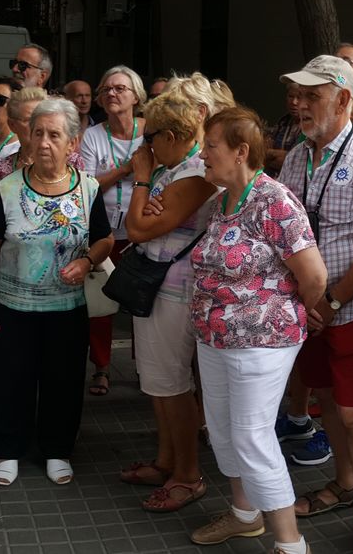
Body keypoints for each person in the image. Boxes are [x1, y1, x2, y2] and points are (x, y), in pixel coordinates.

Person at [274, 55, 353, 554]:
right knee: (324, 399)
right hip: (308, 309)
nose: (301, 105)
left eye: (313, 96)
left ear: (345, 99)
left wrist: (330, 300)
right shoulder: (296, 157)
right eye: (299, 96)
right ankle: (345, 484)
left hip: (350, 308)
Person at [184, 106, 327, 552]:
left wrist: (285, 308)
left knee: (251, 435)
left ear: (240, 151)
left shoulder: (275, 201)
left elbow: (314, 275)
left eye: (209, 146)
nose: (202, 155)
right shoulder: (223, 198)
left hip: (261, 341)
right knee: (224, 430)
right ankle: (245, 516)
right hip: (215, 338)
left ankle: (290, 543)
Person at [0, 97, 113, 487]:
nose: (44, 142)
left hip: (67, 307)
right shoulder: (9, 188)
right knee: (12, 378)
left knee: (63, 379)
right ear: (27, 139)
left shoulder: (89, 189)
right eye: (38, 134)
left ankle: (56, 448)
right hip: (13, 306)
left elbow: (104, 239)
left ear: (72, 143)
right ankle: (8, 448)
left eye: (54, 135)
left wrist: (87, 262)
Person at [116, 88, 219, 513]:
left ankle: (188, 475)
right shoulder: (177, 168)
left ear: (173, 135)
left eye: (150, 136)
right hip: (162, 288)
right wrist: (148, 200)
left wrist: (141, 180)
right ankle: (167, 461)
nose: (146, 146)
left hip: (175, 291)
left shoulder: (192, 174)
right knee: (159, 383)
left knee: (173, 385)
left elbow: (139, 228)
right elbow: (143, 219)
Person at [75, 66, 147, 397]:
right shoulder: (93, 135)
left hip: (143, 229)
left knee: (142, 302)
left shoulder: (151, 131)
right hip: (104, 230)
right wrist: (127, 169)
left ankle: (143, 366)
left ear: (137, 96)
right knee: (102, 300)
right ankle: (101, 367)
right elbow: (89, 185)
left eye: (119, 88)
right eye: (106, 89)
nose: (111, 94)